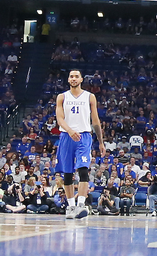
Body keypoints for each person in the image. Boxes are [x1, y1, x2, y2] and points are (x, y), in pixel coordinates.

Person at [54, 69, 103, 220]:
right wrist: (69, 131)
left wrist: (101, 142)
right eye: (71, 76)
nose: (74, 78)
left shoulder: (90, 97)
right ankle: (70, 207)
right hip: (66, 136)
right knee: (67, 174)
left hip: (84, 136)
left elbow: (95, 121)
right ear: (68, 80)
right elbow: (60, 119)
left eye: (76, 76)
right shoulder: (62, 97)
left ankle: (81, 204)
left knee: (83, 170)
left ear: (81, 79)